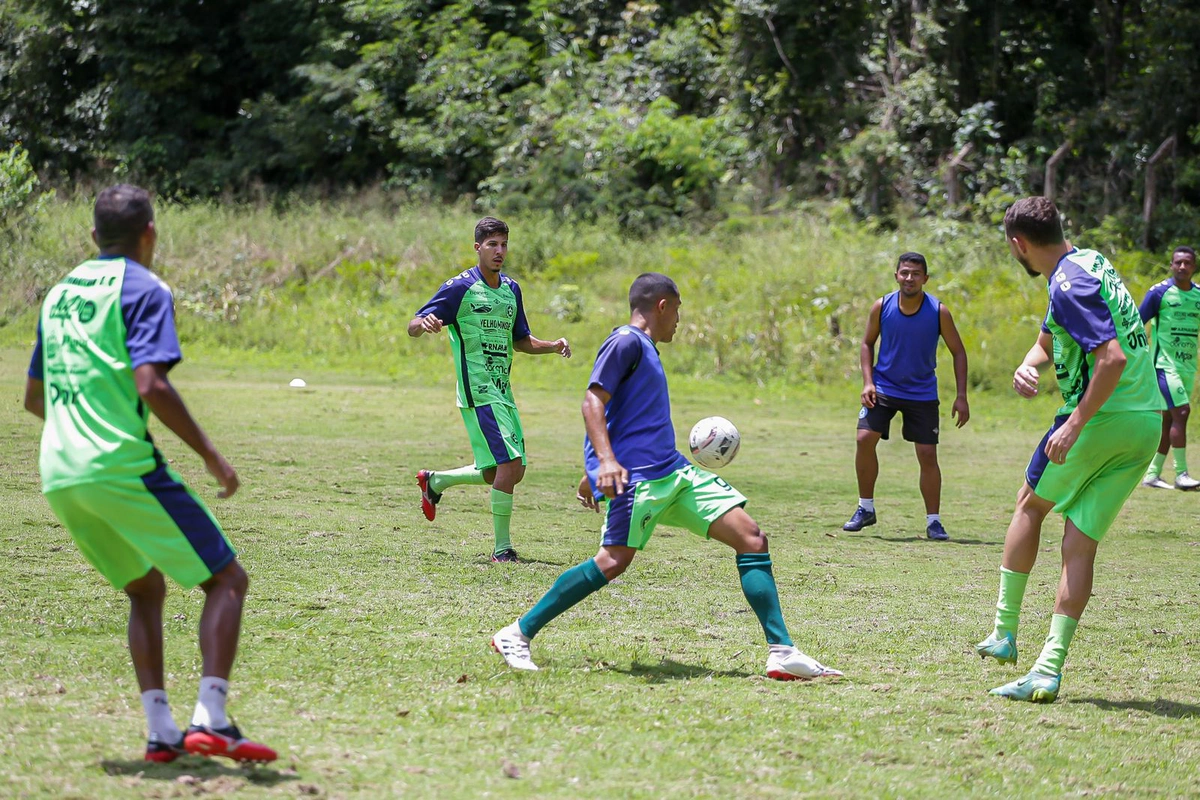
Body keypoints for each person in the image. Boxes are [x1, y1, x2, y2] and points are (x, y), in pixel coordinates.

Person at [22, 185, 275, 762]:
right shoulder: (145, 287)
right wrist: (211, 455)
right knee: (226, 581)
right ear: (150, 235)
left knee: (146, 587)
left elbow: (35, 397)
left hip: (58, 470)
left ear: (93, 237)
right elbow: (151, 384)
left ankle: (161, 732)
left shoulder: (59, 294)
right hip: (118, 464)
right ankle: (211, 717)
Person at [491, 273, 842, 681]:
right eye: (677, 310)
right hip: (638, 481)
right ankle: (516, 633)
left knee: (751, 537)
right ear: (661, 306)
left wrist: (592, 471)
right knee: (613, 561)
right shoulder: (625, 341)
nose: (679, 319)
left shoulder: (648, 348)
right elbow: (592, 401)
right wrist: (603, 463)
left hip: (674, 471)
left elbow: (625, 416)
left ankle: (781, 651)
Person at [975, 197, 1162, 703]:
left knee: (1029, 505)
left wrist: (1075, 423)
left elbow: (1112, 357)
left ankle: (1004, 632)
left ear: (1019, 244)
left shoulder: (1066, 281)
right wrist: (1030, 362)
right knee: (1080, 543)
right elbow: (1052, 335)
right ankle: (1048, 670)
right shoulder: (1089, 263)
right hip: (1147, 423)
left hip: (1102, 418)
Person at [409, 217, 571, 562]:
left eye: (504, 244)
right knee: (510, 466)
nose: (499, 251)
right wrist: (424, 324)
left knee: (501, 471)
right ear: (478, 248)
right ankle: (502, 550)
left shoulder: (511, 290)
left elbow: (521, 341)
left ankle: (435, 482)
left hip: (502, 390)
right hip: (478, 391)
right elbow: (413, 324)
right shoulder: (460, 287)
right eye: (492, 245)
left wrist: (553, 345)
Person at [842, 253, 970, 540]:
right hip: (884, 387)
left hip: (922, 392)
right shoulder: (882, 306)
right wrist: (867, 382)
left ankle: (934, 521)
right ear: (896, 275)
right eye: (904, 273)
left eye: (915, 274)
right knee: (864, 439)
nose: (909, 278)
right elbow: (866, 343)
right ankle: (865, 508)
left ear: (925, 278)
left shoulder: (938, 311)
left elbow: (958, 352)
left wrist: (961, 396)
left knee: (926, 454)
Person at [1138, 246, 1200, 490]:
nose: (1182, 267)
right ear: (1172, 266)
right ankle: (1181, 474)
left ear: (1194, 267)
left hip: (1188, 367)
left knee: (1167, 421)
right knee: (1182, 413)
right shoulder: (1159, 293)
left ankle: (1152, 475)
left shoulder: (1197, 296)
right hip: (1164, 366)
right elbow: (1135, 324)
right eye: (1178, 263)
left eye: (1187, 263)